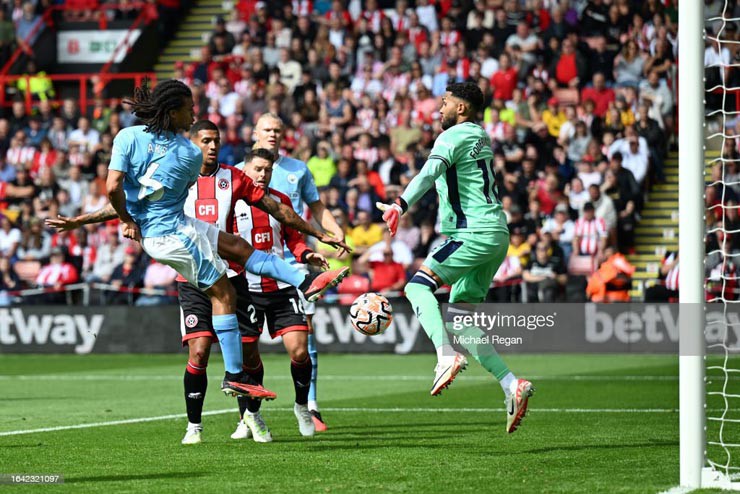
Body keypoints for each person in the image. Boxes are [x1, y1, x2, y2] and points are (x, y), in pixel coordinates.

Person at [46, 80, 350, 405]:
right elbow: (125, 197)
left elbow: (119, 191)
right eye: (189, 108)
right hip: (170, 235)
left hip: (177, 224)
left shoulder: (127, 137)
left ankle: (305, 280)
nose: (193, 114)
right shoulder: (187, 154)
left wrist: (92, 219)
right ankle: (235, 377)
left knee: (238, 247)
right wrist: (125, 219)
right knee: (224, 292)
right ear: (173, 110)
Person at [377, 82, 533, 434]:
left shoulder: (452, 136)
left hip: (473, 233)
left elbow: (429, 173)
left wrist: (400, 205)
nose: (439, 109)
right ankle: (511, 384)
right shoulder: (480, 135)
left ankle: (445, 355)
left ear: (461, 109)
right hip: (496, 234)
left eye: (445, 103)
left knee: (417, 287)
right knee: (462, 318)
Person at [237, 112, 346, 431]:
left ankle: (306, 406)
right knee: (247, 356)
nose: (263, 174)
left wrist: (315, 248)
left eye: (267, 170)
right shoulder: (231, 195)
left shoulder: (288, 187)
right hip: (246, 288)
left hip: (286, 277)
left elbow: (298, 230)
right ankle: (248, 415)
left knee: (302, 347)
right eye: (258, 169)